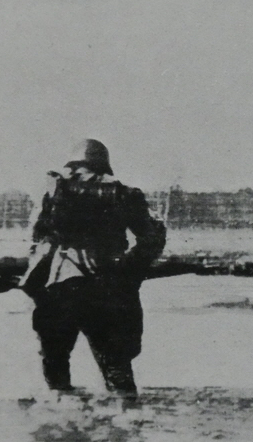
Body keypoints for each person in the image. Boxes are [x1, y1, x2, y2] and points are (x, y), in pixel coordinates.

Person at [20, 139, 166, 400]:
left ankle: (59, 429)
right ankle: (126, 431)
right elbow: (152, 239)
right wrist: (126, 269)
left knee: (56, 371)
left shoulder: (52, 190)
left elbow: (37, 236)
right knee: (117, 372)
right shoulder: (125, 193)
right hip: (107, 287)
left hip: (58, 286)